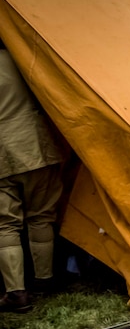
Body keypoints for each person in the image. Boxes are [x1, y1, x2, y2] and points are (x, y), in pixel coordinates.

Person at [0, 42, 63, 313]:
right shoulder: (19, 54)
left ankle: (16, 293)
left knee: (5, 225)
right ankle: (45, 279)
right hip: (36, 145)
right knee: (41, 215)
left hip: (2, 155)